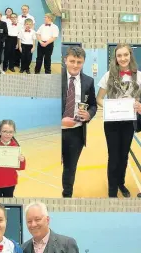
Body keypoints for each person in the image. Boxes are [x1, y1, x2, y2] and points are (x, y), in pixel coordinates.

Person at [96, 44, 141, 197]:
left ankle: (121, 183)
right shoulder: (108, 75)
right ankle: (112, 190)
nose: (122, 58)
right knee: (114, 156)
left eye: (125, 55)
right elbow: (99, 98)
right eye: (119, 55)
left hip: (129, 122)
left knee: (124, 156)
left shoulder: (139, 76)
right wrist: (109, 106)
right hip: (112, 122)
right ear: (115, 58)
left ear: (130, 56)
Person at [62, 47, 97, 198]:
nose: (75, 65)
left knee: (70, 168)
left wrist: (89, 114)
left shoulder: (89, 81)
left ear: (83, 62)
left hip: (76, 133)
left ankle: (67, 194)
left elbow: (94, 104)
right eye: (72, 61)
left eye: (79, 62)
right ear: (65, 60)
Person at [0, 120, 26, 198]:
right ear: (0, 131)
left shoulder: (16, 147)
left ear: (14, 132)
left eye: (10, 132)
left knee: (9, 204)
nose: (7, 134)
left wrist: (22, 160)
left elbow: (20, 168)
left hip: (10, 182)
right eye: (4, 131)